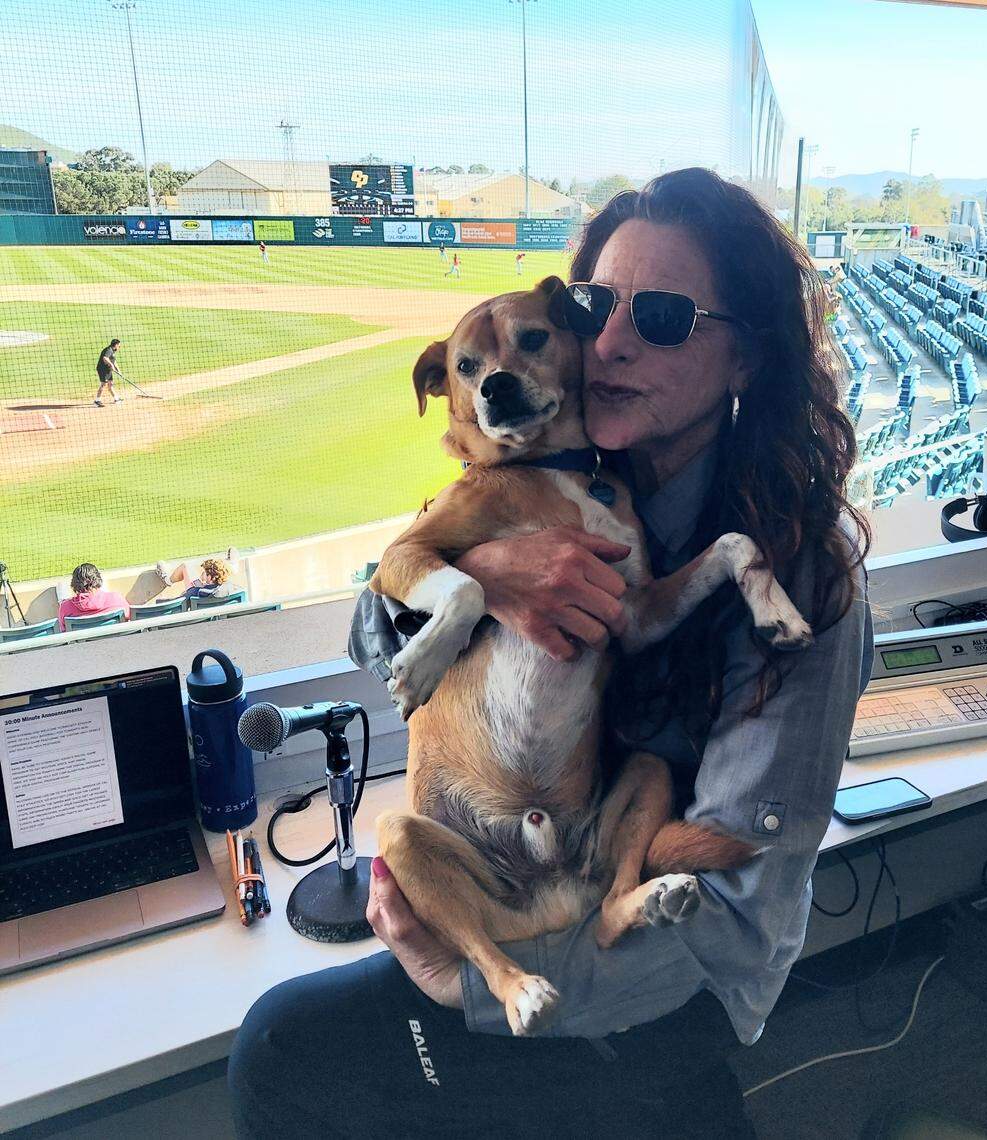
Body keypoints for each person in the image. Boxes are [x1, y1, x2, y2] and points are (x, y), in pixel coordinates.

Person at [229, 168, 873, 1139]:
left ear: (743, 359)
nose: (609, 342)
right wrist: (486, 571)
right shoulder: (544, 477)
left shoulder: (808, 580)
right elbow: (375, 642)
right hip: (527, 882)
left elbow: (734, 922)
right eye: (592, 306)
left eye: (659, 317)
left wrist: (464, 981)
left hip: (672, 989)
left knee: (285, 1051)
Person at [57, 563, 130, 631]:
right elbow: (129, 618)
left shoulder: (65, 607)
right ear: (98, 580)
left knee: (61, 585)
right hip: (115, 642)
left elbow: (63, 630)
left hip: (84, 644)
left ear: (74, 584)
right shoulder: (115, 598)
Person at [155, 556, 235, 601]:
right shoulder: (229, 587)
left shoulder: (195, 591)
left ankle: (167, 580)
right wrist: (205, 586)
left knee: (185, 566)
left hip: (198, 597)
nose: (202, 573)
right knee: (186, 567)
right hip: (212, 613)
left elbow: (175, 603)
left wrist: (161, 600)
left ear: (210, 577)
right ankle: (233, 562)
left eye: (204, 572)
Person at [93, 338, 123, 407]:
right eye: (119, 345)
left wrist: (119, 371)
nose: (119, 346)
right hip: (102, 369)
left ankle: (116, 399)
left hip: (107, 370)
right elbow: (105, 358)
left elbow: (114, 361)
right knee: (103, 384)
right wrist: (111, 365)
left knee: (111, 383)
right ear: (115, 345)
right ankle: (97, 401)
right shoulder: (108, 350)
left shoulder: (113, 350)